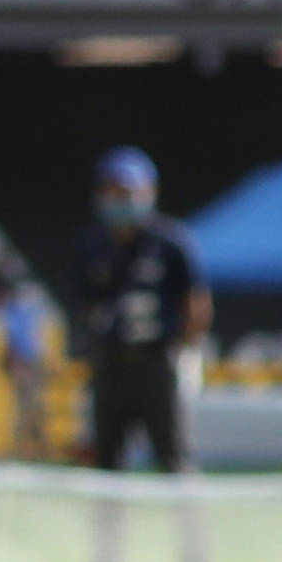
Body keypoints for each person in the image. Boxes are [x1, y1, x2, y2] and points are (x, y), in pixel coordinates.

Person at [74, 145, 205, 475]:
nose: (122, 200)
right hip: (111, 365)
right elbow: (87, 305)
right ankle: (108, 529)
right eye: (114, 191)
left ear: (149, 191)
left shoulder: (171, 242)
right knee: (106, 465)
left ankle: (190, 528)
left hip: (157, 364)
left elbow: (195, 301)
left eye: (130, 191)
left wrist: (186, 350)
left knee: (174, 458)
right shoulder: (92, 245)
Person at [0, 261, 55, 458]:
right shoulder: (15, 310)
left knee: (35, 405)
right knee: (26, 406)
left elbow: (36, 337)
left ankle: (38, 447)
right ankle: (22, 448)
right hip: (25, 362)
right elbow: (14, 340)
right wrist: (18, 364)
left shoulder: (28, 309)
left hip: (33, 361)